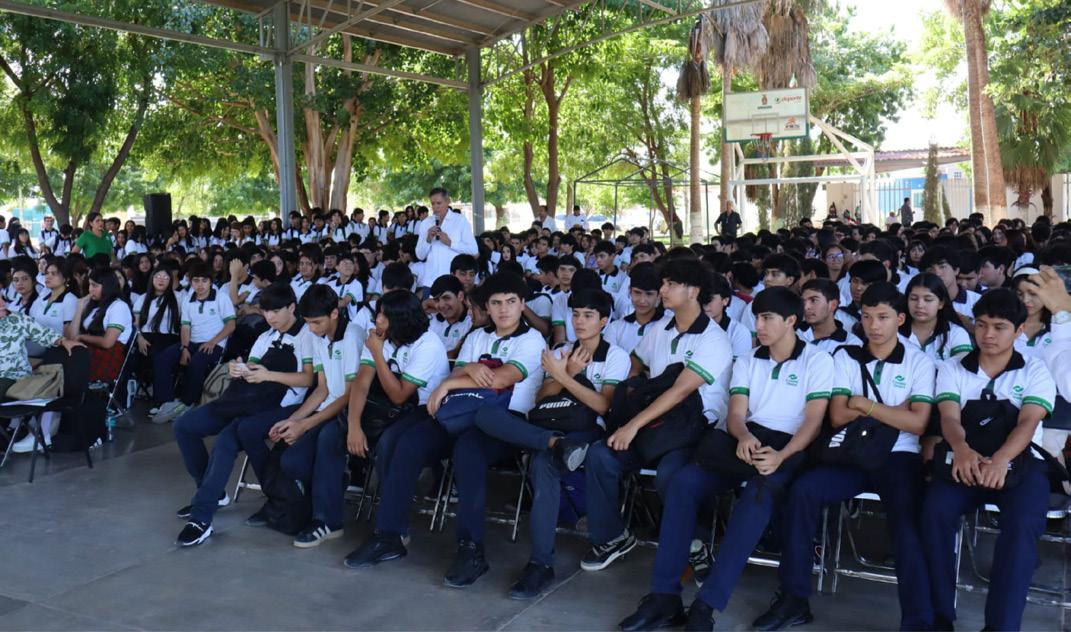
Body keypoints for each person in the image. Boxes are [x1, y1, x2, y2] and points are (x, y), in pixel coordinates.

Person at [620, 288, 831, 631]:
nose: (759, 326)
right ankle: (663, 597)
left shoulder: (817, 360)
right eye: (757, 318)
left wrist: (782, 455)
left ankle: (706, 605)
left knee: (757, 495)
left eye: (767, 318)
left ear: (791, 320)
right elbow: (735, 414)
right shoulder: (747, 359)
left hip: (791, 447)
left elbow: (814, 422)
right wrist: (744, 436)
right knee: (683, 483)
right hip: (747, 440)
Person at [754, 283, 936, 631]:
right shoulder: (846, 356)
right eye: (866, 317)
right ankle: (793, 600)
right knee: (803, 492)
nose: (874, 326)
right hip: (850, 452)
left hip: (898, 455)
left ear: (900, 319)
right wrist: (893, 411)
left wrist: (863, 404)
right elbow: (838, 416)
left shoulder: (919, 362)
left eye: (883, 317)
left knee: (906, 524)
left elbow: (917, 423)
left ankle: (918, 621)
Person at [342, 272, 545, 583]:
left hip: (504, 422)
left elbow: (501, 379)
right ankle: (389, 535)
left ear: (522, 304)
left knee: (468, 453)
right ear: (487, 307)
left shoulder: (531, 340)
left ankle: (471, 549)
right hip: (460, 412)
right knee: (407, 443)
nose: (503, 309)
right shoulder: (477, 337)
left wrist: (451, 383)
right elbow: (459, 373)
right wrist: (463, 374)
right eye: (496, 303)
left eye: (510, 302)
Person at [580, 259, 733, 572]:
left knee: (671, 475)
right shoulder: (660, 330)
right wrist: (633, 391)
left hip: (691, 430)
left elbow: (680, 391)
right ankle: (612, 536)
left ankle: (696, 543)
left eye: (671, 284)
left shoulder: (714, 339)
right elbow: (636, 363)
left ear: (694, 291)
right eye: (663, 283)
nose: (663, 290)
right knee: (600, 456)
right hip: (655, 425)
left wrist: (633, 425)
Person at [921, 289, 1056, 631]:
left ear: (1019, 330)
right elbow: (949, 417)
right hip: (963, 460)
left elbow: (1028, 423)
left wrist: (1000, 460)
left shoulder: (1035, 371)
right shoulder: (953, 367)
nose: (988, 334)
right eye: (981, 325)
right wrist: (962, 449)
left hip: (1020, 464)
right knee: (933, 513)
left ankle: (1001, 625)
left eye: (999, 327)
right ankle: (939, 616)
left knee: (1022, 526)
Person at [173, 283, 315, 546]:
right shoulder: (266, 336)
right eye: (266, 311)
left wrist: (268, 375)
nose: (270, 317)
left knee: (227, 440)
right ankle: (210, 492)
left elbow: (308, 379)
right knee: (184, 426)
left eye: (276, 311)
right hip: (246, 399)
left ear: (292, 307)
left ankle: (202, 516)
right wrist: (239, 369)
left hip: (281, 406)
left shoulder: (307, 335)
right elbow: (254, 367)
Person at [269, 284, 363, 547]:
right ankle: (333, 482)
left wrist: (306, 424)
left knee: (326, 440)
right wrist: (294, 420)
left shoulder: (352, 336)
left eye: (316, 322)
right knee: (292, 461)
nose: (311, 329)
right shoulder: (318, 336)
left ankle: (328, 521)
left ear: (334, 313)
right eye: (308, 322)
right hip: (327, 409)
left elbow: (349, 395)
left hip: (350, 411)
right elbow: (322, 389)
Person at [152, 261, 236, 423]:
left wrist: (212, 342)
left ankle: (187, 403)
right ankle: (166, 402)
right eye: (196, 281)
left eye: (204, 281)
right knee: (162, 358)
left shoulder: (221, 297)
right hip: (191, 342)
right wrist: (184, 348)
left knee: (196, 362)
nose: (200, 285)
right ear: (190, 282)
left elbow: (231, 325)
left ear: (211, 282)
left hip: (215, 344)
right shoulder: (187, 300)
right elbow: (185, 326)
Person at [70, 267, 134, 383]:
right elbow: (72, 336)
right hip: (88, 351)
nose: (90, 289)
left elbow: (107, 342)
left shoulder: (119, 306)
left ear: (107, 286)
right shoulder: (94, 306)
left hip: (107, 356)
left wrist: (82, 337)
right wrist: (79, 308)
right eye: (89, 285)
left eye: (94, 285)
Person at [901, 272, 974, 362]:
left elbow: (962, 367)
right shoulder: (895, 330)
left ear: (941, 303)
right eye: (914, 298)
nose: (919, 305)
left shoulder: (955, 333)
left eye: (928, 299)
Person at [414, 187, 478, 289]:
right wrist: (428, 239)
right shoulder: (426, 223)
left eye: (439, 203)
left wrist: (450, 243)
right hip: (431, 282)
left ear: (448, 201)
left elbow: (473, 250)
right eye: (433, 204)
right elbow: (420, 256)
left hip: (453, 281)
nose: (435, 207)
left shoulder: (460, 220)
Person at [603, 262, 663, 350]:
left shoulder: (669, 327)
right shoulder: (616, 328)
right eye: (637, 292)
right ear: (630, 291)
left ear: (659, 296)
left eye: (649, 294)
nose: (642, 300)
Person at [798, 278, 862, 354]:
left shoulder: (851, 343)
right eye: (803, 301)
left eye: (813, 300)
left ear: (833, 305)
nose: (806, 307)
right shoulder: (793, 332)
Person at [427, 275, 472, 358]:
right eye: (437, 300)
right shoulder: (430, 321)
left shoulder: (471, 323)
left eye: (446, 298)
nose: (441, 305)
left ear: (460, 296)